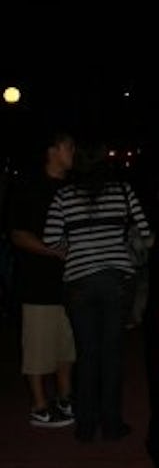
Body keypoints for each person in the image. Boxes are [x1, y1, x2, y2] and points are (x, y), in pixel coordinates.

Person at [43, 139, 151, 441]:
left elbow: (51, 239)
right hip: (116, 279)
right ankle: (112, 423)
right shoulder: (123, 192)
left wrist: (79, 247)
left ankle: (86, 426)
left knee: (86, 353)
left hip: (78, 281)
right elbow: (143, 232)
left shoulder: (64, 195)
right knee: (112, 354)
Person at [8, 128, 77, 428]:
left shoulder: (73, 187)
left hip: (71, 282)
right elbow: (17, 234)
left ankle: (65, 397)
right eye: (69, 147)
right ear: (53, 150)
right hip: (37, 282)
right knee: (36, 348)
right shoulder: (28, 186)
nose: (73, 153)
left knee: (67, 346)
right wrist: (52, 252)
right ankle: (39, 405)